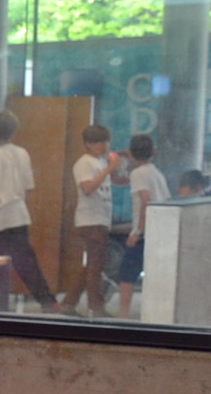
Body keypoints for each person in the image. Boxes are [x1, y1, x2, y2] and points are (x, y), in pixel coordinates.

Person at [0, 110, 56, 311]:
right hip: (19, 215)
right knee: (27, 264)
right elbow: (28, 188)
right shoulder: (23, 153)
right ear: (14, 131)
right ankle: (47, 301)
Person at [119, 132, 172, 319]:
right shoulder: (157, 174)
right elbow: (167, 200)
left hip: (145, 232)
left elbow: (145, 200)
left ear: (131, 154)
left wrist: (138, 231)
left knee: (127, 273)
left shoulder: (138, 174)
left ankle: (123, 313)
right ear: (153, 152)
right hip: (160, 229)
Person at [70, 123, 120, 317]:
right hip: (90, 219)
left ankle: (69, 303)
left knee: (92, 264)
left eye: (105, 141)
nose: (103, 146)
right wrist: (108, 170)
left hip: (100, 218)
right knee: (95, 266)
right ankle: (96, 307)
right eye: (98, 142)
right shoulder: (84, 163)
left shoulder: (99, 162)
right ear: (88, 144)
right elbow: (87, 188)